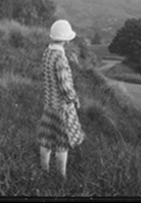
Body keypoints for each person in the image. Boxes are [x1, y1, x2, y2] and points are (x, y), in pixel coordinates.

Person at [38, 20, 85, 177]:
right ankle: (61, 177)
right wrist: (74, 99)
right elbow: (64, 85)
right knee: (62, 144)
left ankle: (44, 171)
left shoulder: (47, 52)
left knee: (46, 140)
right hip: (61, 108)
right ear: (66, 39)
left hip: (49, 104)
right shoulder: (60, 58)